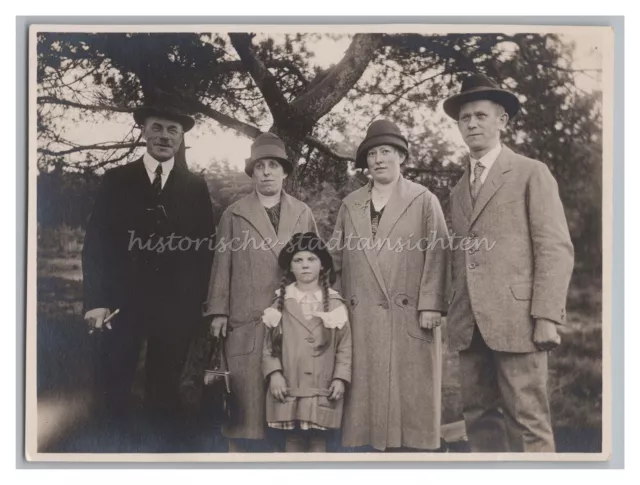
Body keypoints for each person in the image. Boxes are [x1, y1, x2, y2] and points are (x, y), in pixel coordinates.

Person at [443, 73, 575, 452]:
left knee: (528, 420)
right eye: (464, 118)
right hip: (470, 324)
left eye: (480, 116)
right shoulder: (457, 190)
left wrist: (547, 315)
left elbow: (554, 246)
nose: (471, 124)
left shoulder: (531, 172)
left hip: (519, 321)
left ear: (502, 120)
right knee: (478, 418)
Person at [82, 104, 215, 450]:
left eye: (173, 130)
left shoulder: (195, 186)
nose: (164, 136)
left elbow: (204, 251)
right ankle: (110, 457)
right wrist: (96, 301)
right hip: (120, 304)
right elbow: (96, 244)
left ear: (181, 137)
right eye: (157, 127)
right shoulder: (117, 180)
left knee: (164, 388)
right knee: (114, 384)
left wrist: (196, 303)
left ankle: (158, 458)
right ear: (143, 131)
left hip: (174, 307)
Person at [329, 119, 450, 451]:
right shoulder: (350, 203)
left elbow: (438, 252)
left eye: (386, 151)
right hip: (360, 316)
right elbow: (335, 258)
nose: (378, 159)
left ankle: (410, 452)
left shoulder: (423, 199)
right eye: (372, 153)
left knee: (409, 401)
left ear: (402, 157)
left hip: (408, 315)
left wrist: (431, 305)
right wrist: (329, 302)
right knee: (363, 410)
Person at [203, 133, 318, 452]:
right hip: (246, 321)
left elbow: (316, 263)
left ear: (284, 172)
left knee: (289, 412)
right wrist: (219, 311)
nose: (267, 172)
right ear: (252, 173)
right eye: (260, 166)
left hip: (292, 321)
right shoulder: (234, 214)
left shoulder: (302, 213)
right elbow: (221, 263)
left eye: (274, 165)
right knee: (245, 414)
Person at [261, 232, 352, 452]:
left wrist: (340, 378)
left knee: (319, 442)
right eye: (298, 260)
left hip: (322, 389)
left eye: (311, 259)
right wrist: (274, 374)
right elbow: (268, 346)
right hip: (289, 388)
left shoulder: (336, 303)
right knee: (293, 442)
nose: (305, 265)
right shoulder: (281, 303)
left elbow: (345, 346)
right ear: (290, 268)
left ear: (322, 266)